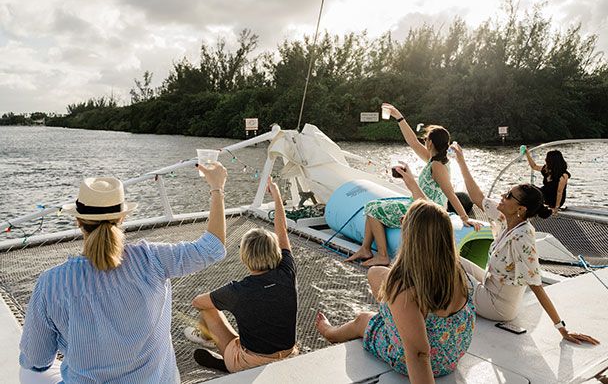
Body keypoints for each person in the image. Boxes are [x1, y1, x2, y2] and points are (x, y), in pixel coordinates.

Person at [19, 163, 228, 383]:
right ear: (122, 219)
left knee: (28, 371)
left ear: (78, 221)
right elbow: (212, 248)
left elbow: (36, 361)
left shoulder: (52, 284)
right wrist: (217, 188)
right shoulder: (152, 258)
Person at [317, 197, 476, 381]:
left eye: (404, 219)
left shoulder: (402, 286)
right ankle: (398, 317)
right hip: (452, 350)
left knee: (363, 320)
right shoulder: (455, 270)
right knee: (375, 273)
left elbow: (419, 355)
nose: (401, 221)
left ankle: (330, 333)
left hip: (431, 361)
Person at [454, 143, 599, 345]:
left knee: (447, 270)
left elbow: (536, 284)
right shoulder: (507, 218)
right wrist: (461, 161)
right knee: (449, 256)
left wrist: (562, 329)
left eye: (508, 196)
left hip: (497, 305)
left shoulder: (523, 237)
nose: (502, 197)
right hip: (490, 285)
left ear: (520, 208)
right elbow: (477, 196)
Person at [345, 102, 481, 266]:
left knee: (373, 209)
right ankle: (365, 249)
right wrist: (398, 116)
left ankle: (382, 255)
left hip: (427, 209)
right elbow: (412, 142)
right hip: (417, 202)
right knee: (373, 204)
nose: (423, 141)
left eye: (426, 139)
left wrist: (465, 218)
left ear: (430, 143)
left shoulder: (438, 166)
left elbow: (450, 193)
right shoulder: (434, 159)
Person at [187, 177, 297, 373]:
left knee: (208, 308)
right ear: (276, 252)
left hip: (251, 362)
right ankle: (232, 356)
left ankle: (210, 342)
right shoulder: (287, 272)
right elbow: (283, 233)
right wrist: (277, 195)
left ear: (245, 257)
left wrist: (222, 301)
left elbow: (197, 302)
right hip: (289, 356)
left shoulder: (238, 290)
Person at [525, 148, 571, 214]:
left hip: (554, 199)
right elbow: (534, 166)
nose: (545, 159)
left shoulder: (563, 176)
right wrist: (527, 154)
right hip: (545, 193)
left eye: (547, 158)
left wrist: (556, 207)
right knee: (528, 188)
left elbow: (559, 192)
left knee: (534, 193)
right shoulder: (546, 169)